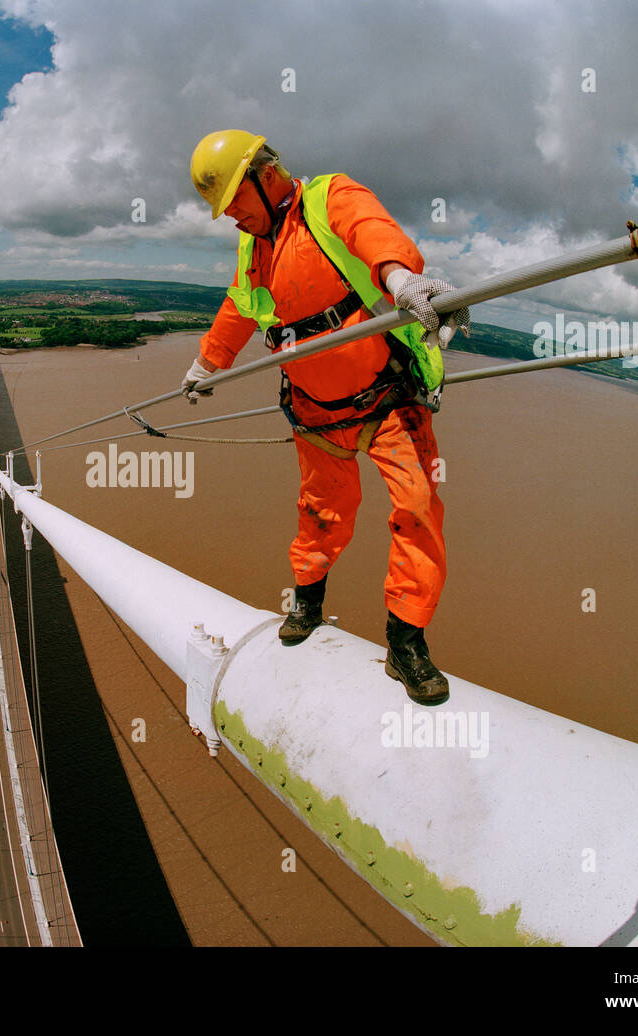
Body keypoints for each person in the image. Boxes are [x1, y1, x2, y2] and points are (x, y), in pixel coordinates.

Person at [182, 130, 470, 706]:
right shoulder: (253, 246)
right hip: (315, 413)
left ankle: (406, 642)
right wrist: (205, 364)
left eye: (235, 203)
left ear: (265, 178)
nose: (232, 219)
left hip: (389, 398)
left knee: (416, 508)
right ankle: (308, 602)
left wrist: (400, 278)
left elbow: (372, 232)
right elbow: (239, 308)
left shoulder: (327, 197)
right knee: (320, 513)